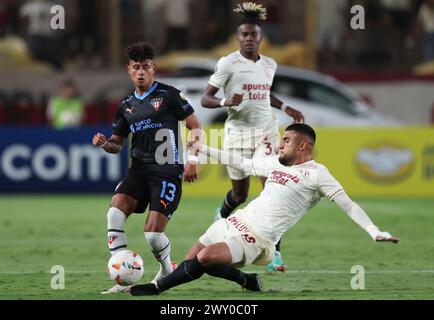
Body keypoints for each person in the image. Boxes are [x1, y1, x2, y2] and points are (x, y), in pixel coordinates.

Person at [128, 123, 400, 296]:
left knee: (206, 258)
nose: (280, 143)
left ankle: (154, 289)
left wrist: (374, 231)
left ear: (303, 146)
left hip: (258, 239)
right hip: (236, 221)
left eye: (287, 140)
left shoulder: (318, 174)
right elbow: (243, 165)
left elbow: (348, 205)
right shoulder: (276, 163)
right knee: (192, 260)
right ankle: (248, 282)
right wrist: (205, 148)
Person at [200, 2, 304, 273]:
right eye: (244, 35)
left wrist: (284, 107)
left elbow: (264, 93)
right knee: (240, 194)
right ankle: (222, 215)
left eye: (253, 35)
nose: (248, 39)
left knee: (275, 193)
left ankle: (276, 255)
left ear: (260, 37)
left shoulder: (270, 64)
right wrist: (225, 100)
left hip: (267, 135)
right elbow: (206, 98)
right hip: (237, 136)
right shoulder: (227, 63)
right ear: (238, 37)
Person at [92, 42, 202, 294]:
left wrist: (193, 160)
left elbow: (195, 125)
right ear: (128, 70)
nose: (140, 72)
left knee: (152, 236)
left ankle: (166, 269)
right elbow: (117, 145)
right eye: (135, 68)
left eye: (145, 67)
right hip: (138, 170)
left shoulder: (169, 95)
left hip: (166, 172)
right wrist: (104, 144)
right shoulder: (126, 105)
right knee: (114, 213)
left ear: (153, 68)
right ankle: (124, 273)